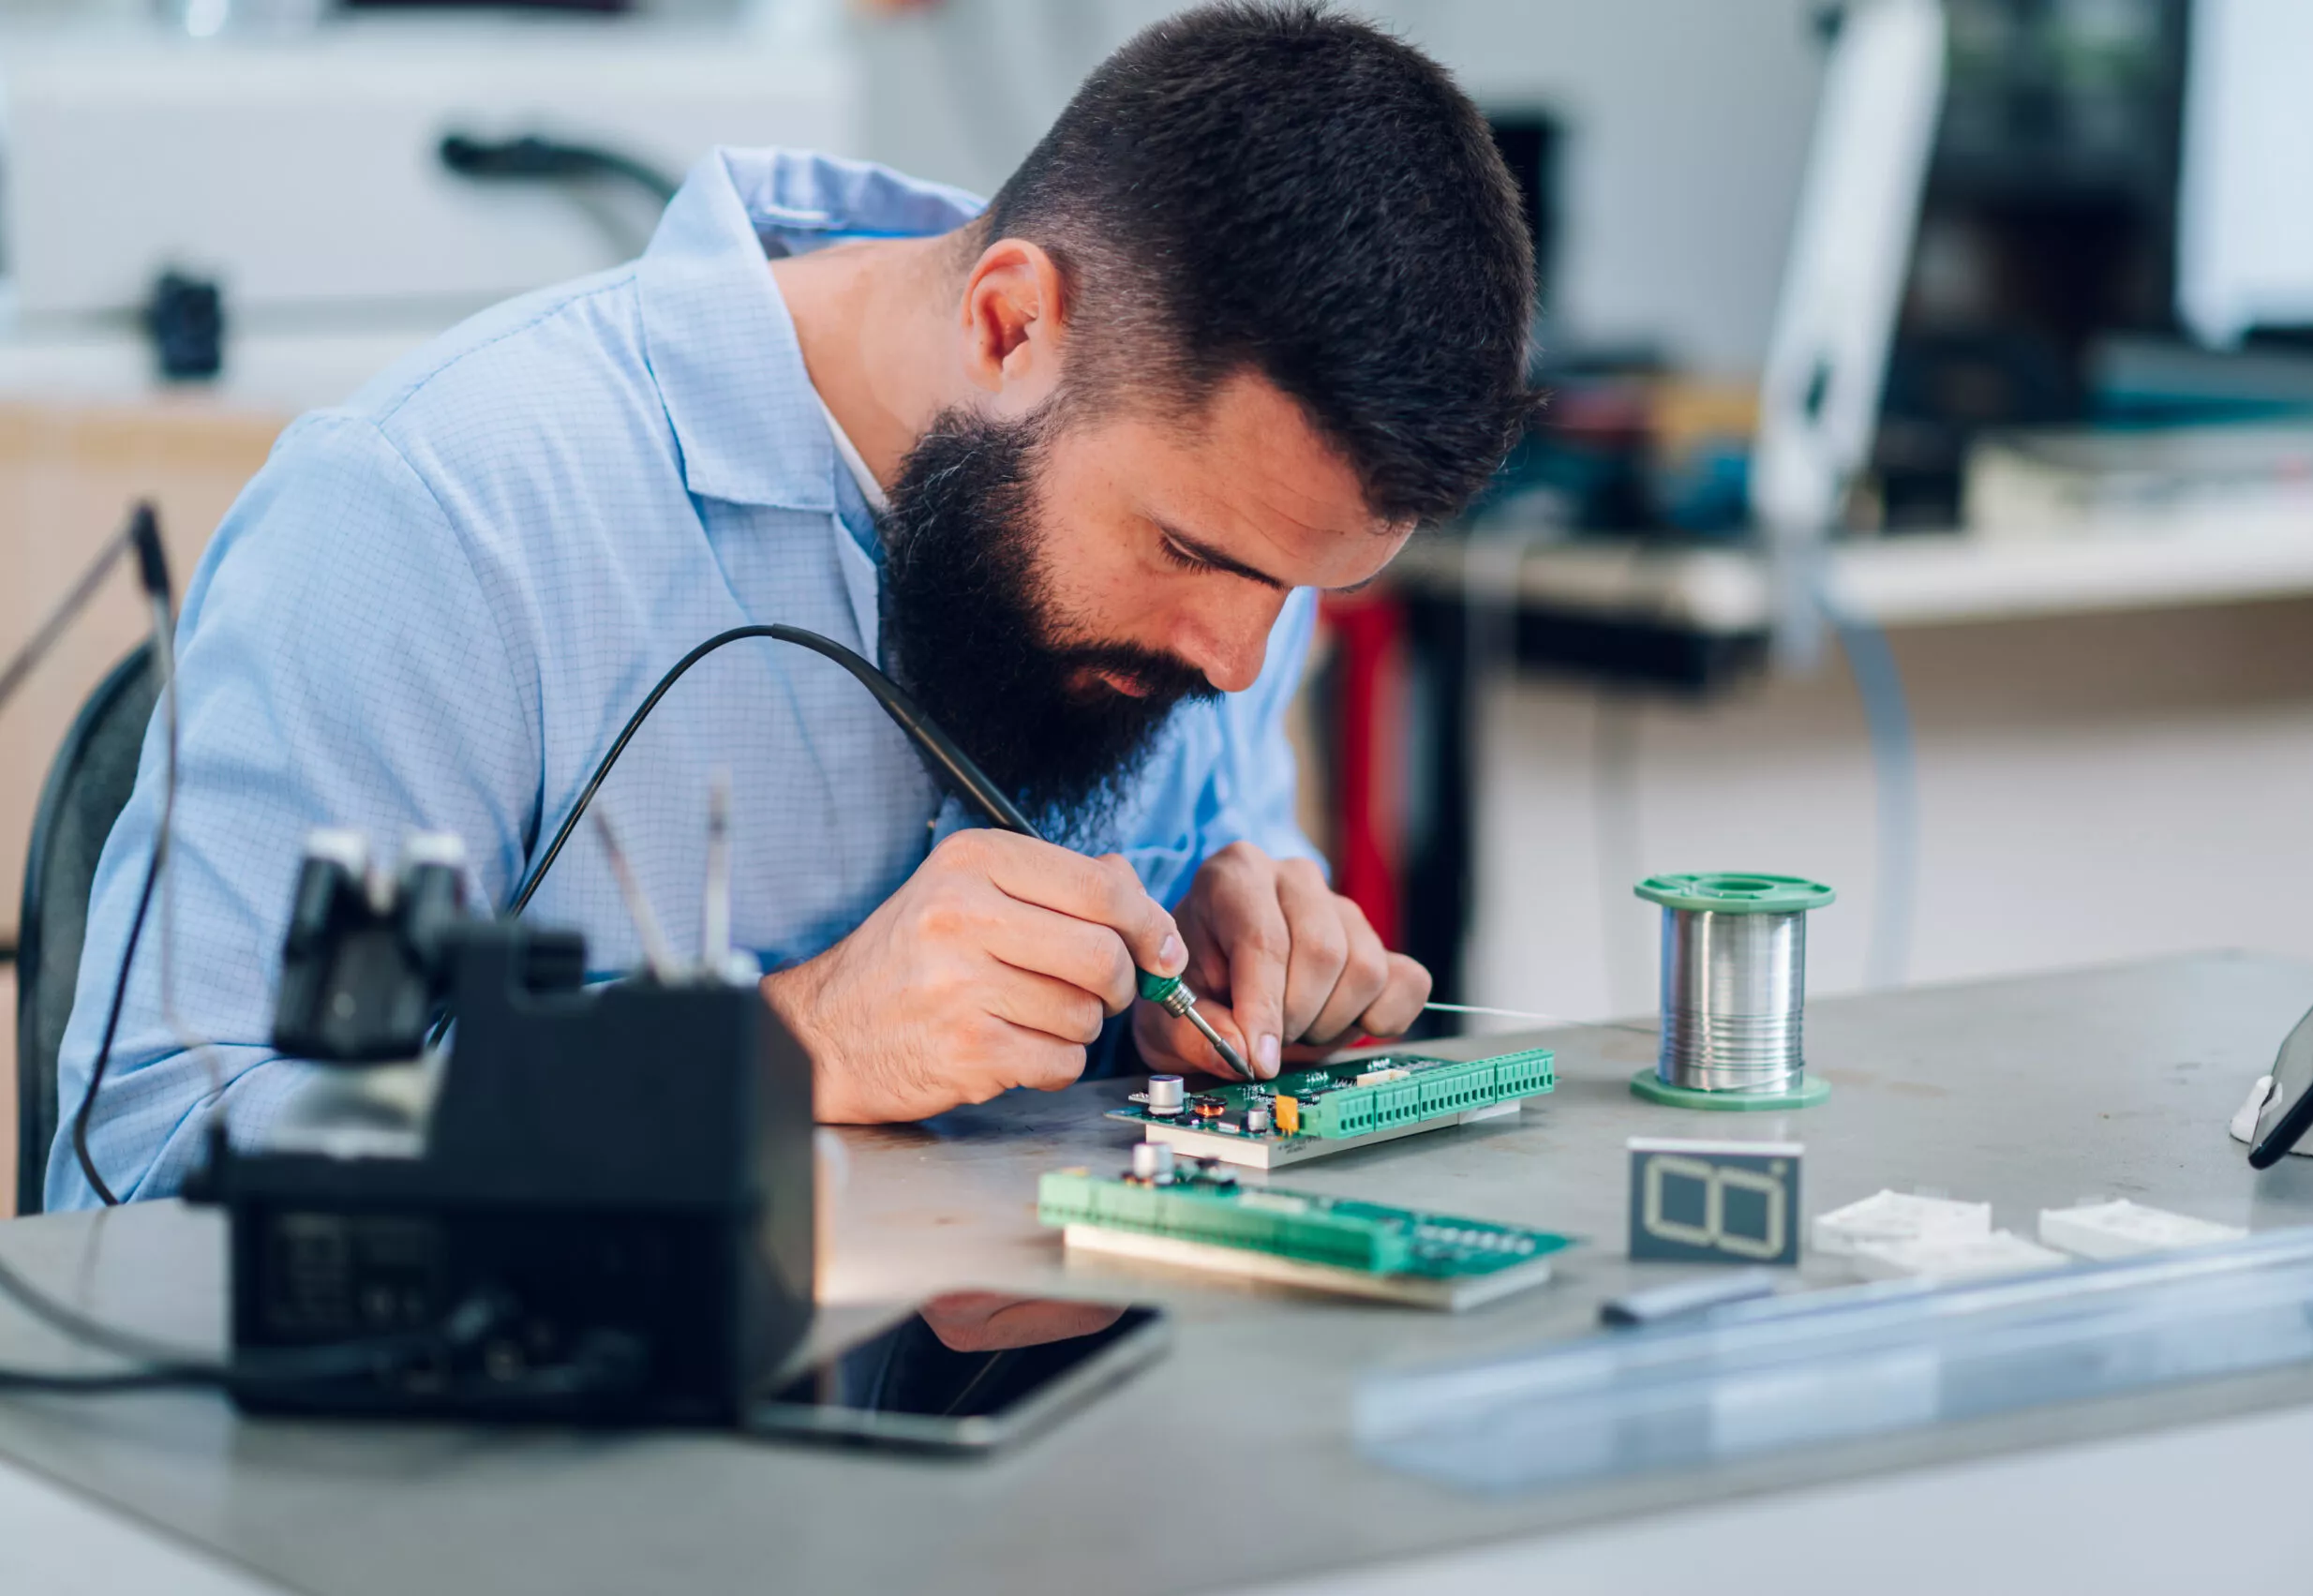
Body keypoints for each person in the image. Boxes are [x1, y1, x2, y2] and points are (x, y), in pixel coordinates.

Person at [48, 1, 1535, 1208]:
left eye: (1301, 589)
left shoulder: (1208, 559)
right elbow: (142, 1169)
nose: (1237, 657)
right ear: (1011, 323)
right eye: (1197, 556)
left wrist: (1238, 977)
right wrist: (780, 1051)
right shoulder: (441, 510)